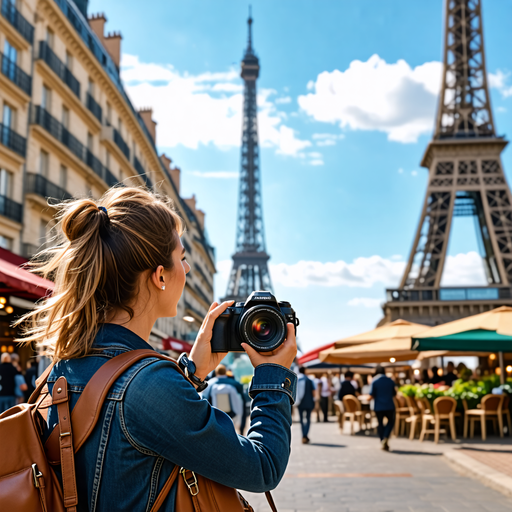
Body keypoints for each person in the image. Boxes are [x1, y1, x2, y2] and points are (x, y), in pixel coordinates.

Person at [16, 187, 297, 511]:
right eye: (182, 258)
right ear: (160, 276)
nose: (188, 270)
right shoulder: (149, 384)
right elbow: (262, 468)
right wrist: (273, 375)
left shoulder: (62, 366)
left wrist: (190, 372)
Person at [202, 365, 244, 432]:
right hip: (233, 414)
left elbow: (204, 399)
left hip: (215, 414)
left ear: (216, 372)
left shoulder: (209, 384)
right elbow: (241, 397)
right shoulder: (235, 384)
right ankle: (242, 430)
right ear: (225, 372)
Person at [370, 365, 396, 451]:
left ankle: (382, 440)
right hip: (389, 405)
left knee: (380, 423)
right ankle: (386, 436)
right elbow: (394, 394)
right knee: (391, 422)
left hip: (378, 406)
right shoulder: (390, 381)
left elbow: (371, 394)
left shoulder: (375, 381)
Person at [295, 367, 316, 444]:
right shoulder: (309, 380)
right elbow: (314, 392)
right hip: (309, 402)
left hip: (300, 402)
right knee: (308, 419)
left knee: (301, 420)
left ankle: (303, 435)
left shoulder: (297, 379)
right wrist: (315, 402)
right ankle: (305, 435)